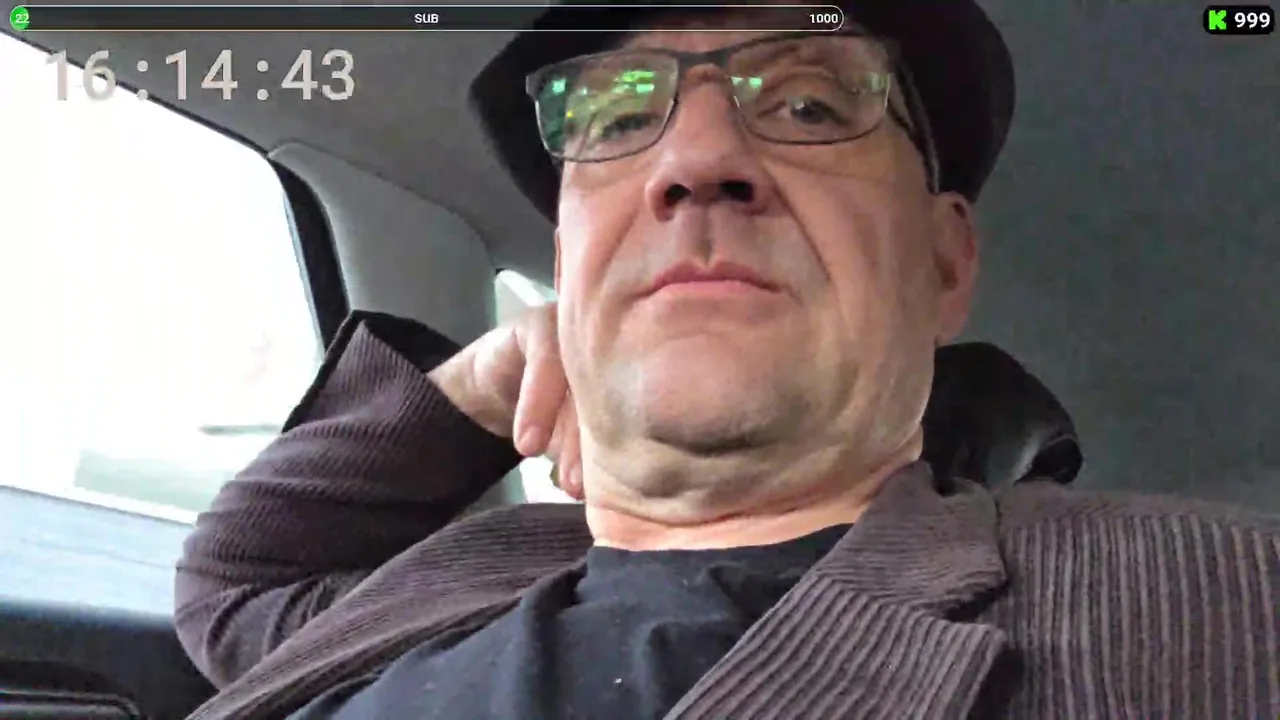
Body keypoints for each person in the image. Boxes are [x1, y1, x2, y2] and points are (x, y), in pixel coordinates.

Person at [175, 2, 1280, 719]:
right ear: (567, 266)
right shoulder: (448, 586)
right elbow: (235, 581)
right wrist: (492, 373)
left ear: (942, 264)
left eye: (808, 103)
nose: (696, 158)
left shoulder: (1210, 605)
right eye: (618, 118)